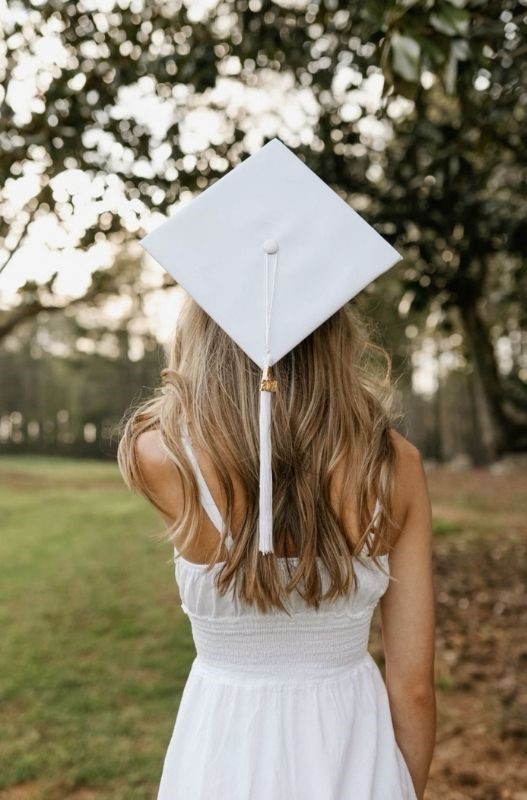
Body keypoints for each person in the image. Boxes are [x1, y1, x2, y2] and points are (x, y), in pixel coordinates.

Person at [118, 138, 436, 799]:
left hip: (219, 755)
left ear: (201, 319)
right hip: (354, 753)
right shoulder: (394, 467)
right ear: (334, 324)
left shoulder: (160, 455)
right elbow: (412, 683)